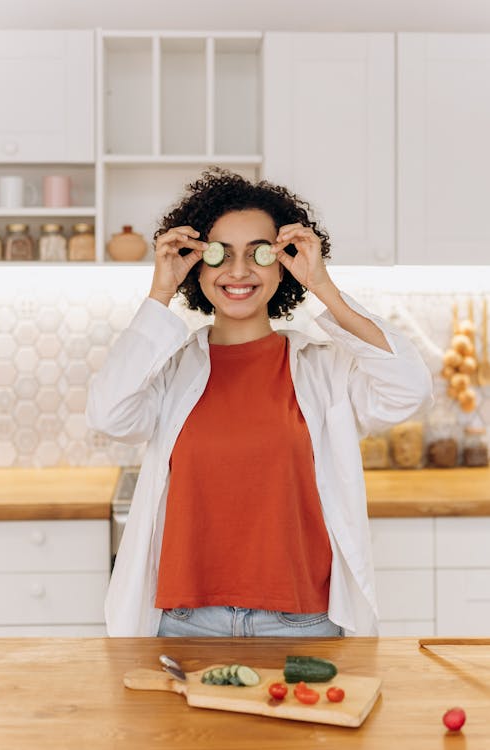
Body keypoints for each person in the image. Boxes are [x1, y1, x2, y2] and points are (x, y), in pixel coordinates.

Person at [86, 167, 433, 638]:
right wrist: (160, 291)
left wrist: (323, 287)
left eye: (258, 253)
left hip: (303, 622)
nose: (238, 271)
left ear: (283, 263)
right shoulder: (172, 369)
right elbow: (107, 413)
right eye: (220, 254)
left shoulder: (323, 370)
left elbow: (408, 388)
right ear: (197, 264)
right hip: (186, 623)